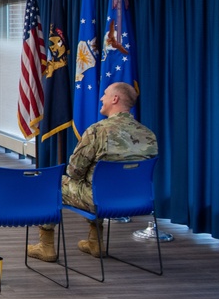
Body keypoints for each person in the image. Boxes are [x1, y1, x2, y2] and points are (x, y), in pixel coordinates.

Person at [27, 82, 158, 262]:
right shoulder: (148, 134)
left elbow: (74, 171)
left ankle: (46, 246)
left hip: (100, 200)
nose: (101, 98)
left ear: (115, 99)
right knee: (96, 184)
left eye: (105, 94)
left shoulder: (98, 131)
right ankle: (95, 242)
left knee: (51, 183)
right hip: (138, 200)